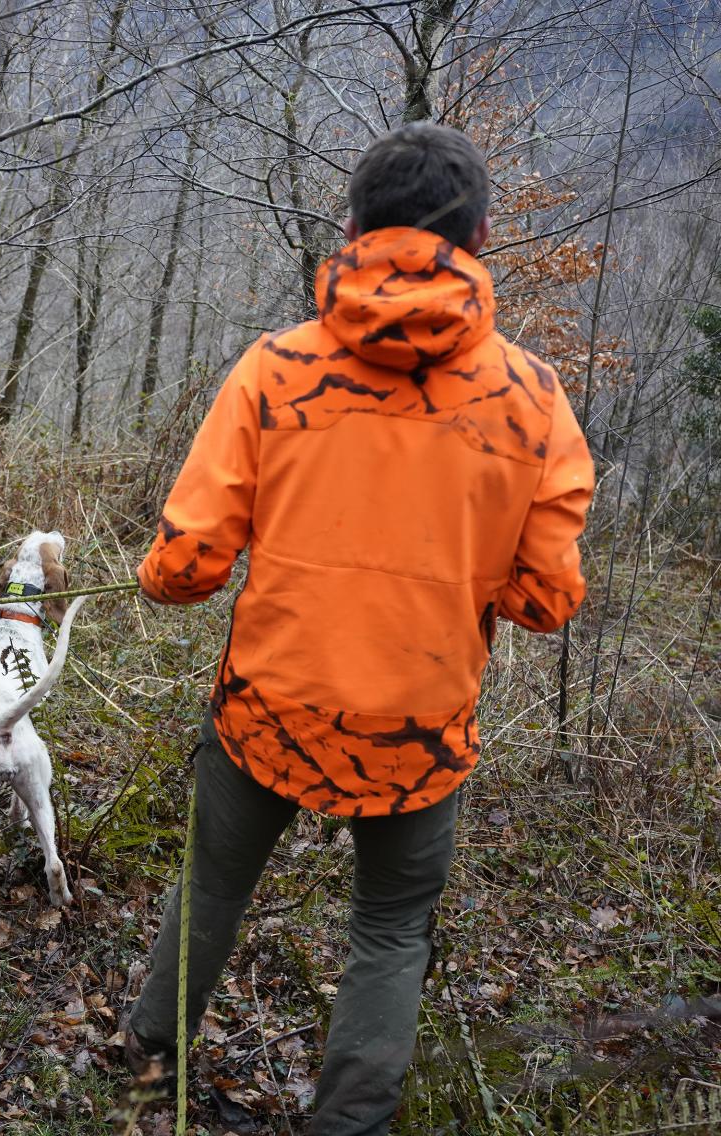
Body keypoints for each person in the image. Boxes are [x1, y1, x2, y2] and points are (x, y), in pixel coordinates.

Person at [124, 123, 595, 1134]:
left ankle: (147, 1054)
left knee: (212, 886)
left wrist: (154, 571)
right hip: (419, 728)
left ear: (350, 227)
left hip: (268, 707)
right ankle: (348, 1120)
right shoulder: (534, 401)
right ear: (475, 236)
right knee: (388, 929)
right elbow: (547, 597)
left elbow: (186, 566)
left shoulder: (275, 369)